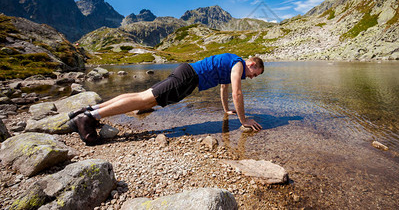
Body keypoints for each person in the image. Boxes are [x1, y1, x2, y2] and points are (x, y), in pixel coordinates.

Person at [68, 53, 264, 145]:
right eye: (256, 73)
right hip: (187, 77)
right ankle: (88, 118)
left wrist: (226, 110)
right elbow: (236, 92)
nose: (253, 77)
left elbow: (224, 87)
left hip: (186, 75)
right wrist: (243, 120)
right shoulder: (238, 64)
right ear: (252, 64)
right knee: (144, 99)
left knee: (141, 96)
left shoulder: (232, 63)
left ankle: (87, 110)